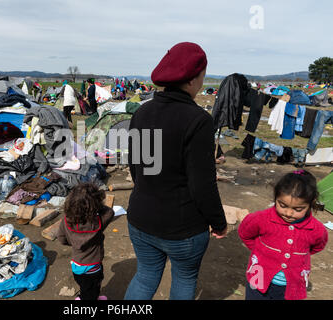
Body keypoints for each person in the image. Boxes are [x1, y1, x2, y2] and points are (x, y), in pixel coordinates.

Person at [124, 42, 227, 300]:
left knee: (145, 276)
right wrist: (218, 222)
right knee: (184, 279)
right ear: (193, 80)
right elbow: (202, 184)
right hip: (183, 228)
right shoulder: (198, 120)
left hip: (140, 217)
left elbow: (136, 167)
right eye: (203, 75)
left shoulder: (142, 112)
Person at [238, 170, 328, 300]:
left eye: (298, 209)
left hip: (292, 287)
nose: (289, 213)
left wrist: (298, 255)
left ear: (311, 203)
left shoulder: (316, 230)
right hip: (258, 280)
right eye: (282, 205)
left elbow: (317, 246)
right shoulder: (261, 219)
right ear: (276, 197)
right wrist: (259, 250)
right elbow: (245, 233)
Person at [57, 182, 114, 300]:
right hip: (93, 267)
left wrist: (73, 242)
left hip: (77, 265)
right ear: (96, 204)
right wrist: (97, 205)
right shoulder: (98, 222)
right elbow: (110, 212)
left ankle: (84, 297)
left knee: (85, 287)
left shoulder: (66, 221)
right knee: (93, 288)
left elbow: (62, 239)